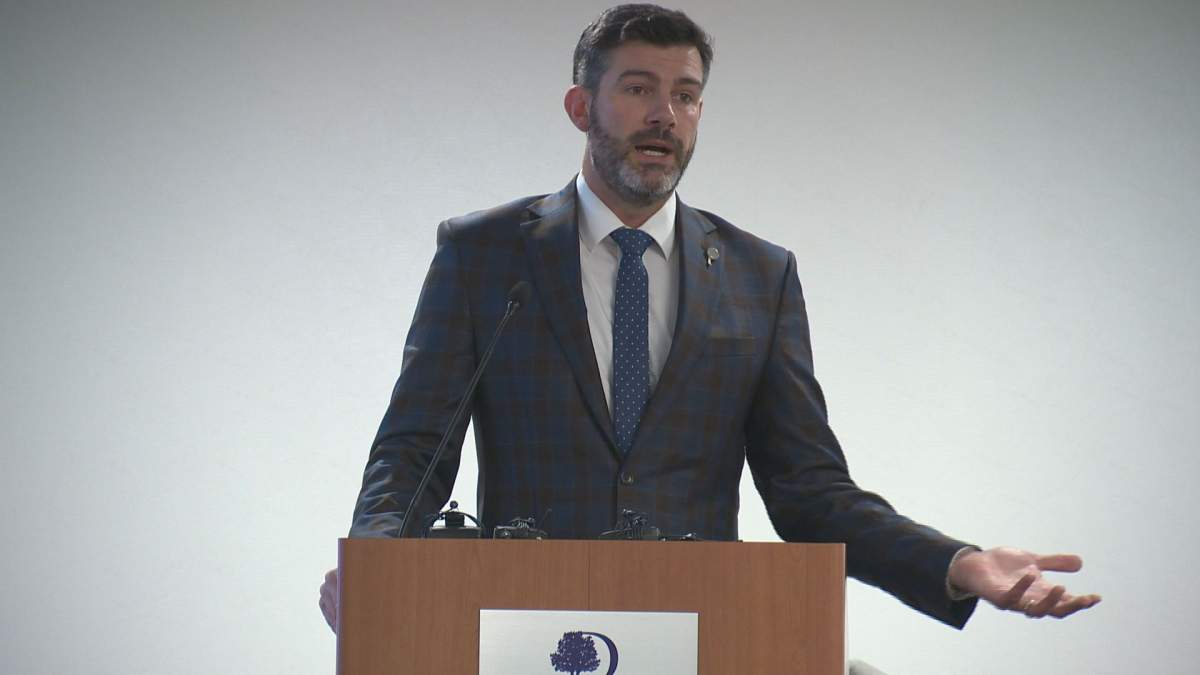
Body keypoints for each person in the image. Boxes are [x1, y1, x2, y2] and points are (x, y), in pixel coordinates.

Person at [320, 3, 1099, 633]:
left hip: (701, 627)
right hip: (525, 625)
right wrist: (374, 564)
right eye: (638, 89)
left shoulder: (760, 276)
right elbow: (414, 450)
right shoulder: (485, 254)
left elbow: (810, 492)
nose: (665, 114)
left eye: (686, 95)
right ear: (580, 106)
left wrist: (959, 563)